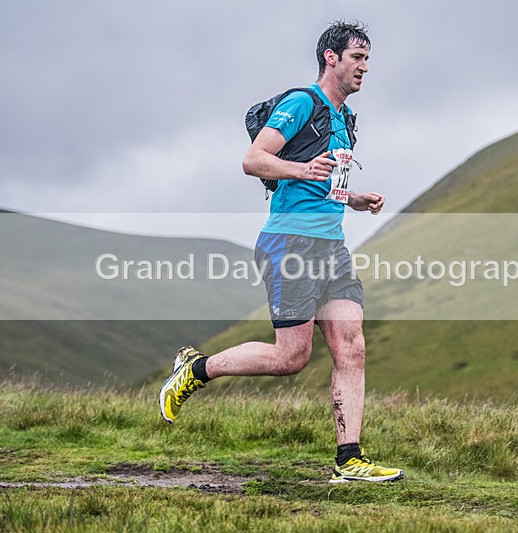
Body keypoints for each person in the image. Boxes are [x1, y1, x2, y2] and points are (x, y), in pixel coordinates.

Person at [159, 21, 403, 484]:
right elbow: (253, 160)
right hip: (290, 242)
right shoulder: (301, 103)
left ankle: (349, 459)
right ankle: (197, 369)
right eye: (357, 58)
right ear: (331, 57)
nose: (364, 68)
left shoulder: (346, 122)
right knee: (291, 358)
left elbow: (325, 184)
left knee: (352, 348)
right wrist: (299, 167)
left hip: (332, 246)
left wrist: (355, 198)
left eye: (368, 60)